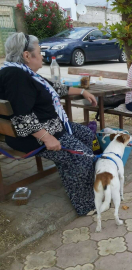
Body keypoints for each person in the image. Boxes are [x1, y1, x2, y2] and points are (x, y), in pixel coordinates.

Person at [0, 33, 98, 215]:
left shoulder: (24, 73)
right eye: (39, 51)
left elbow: (56, 88)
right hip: (34, 137)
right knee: (83, 157)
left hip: (51, 128)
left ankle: (77, 179)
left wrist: (83, 91)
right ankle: (85, 205)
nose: (43, 55)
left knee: (86, 135)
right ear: (27, 56)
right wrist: (47, 138)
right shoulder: (16, 76)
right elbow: (23, 116)